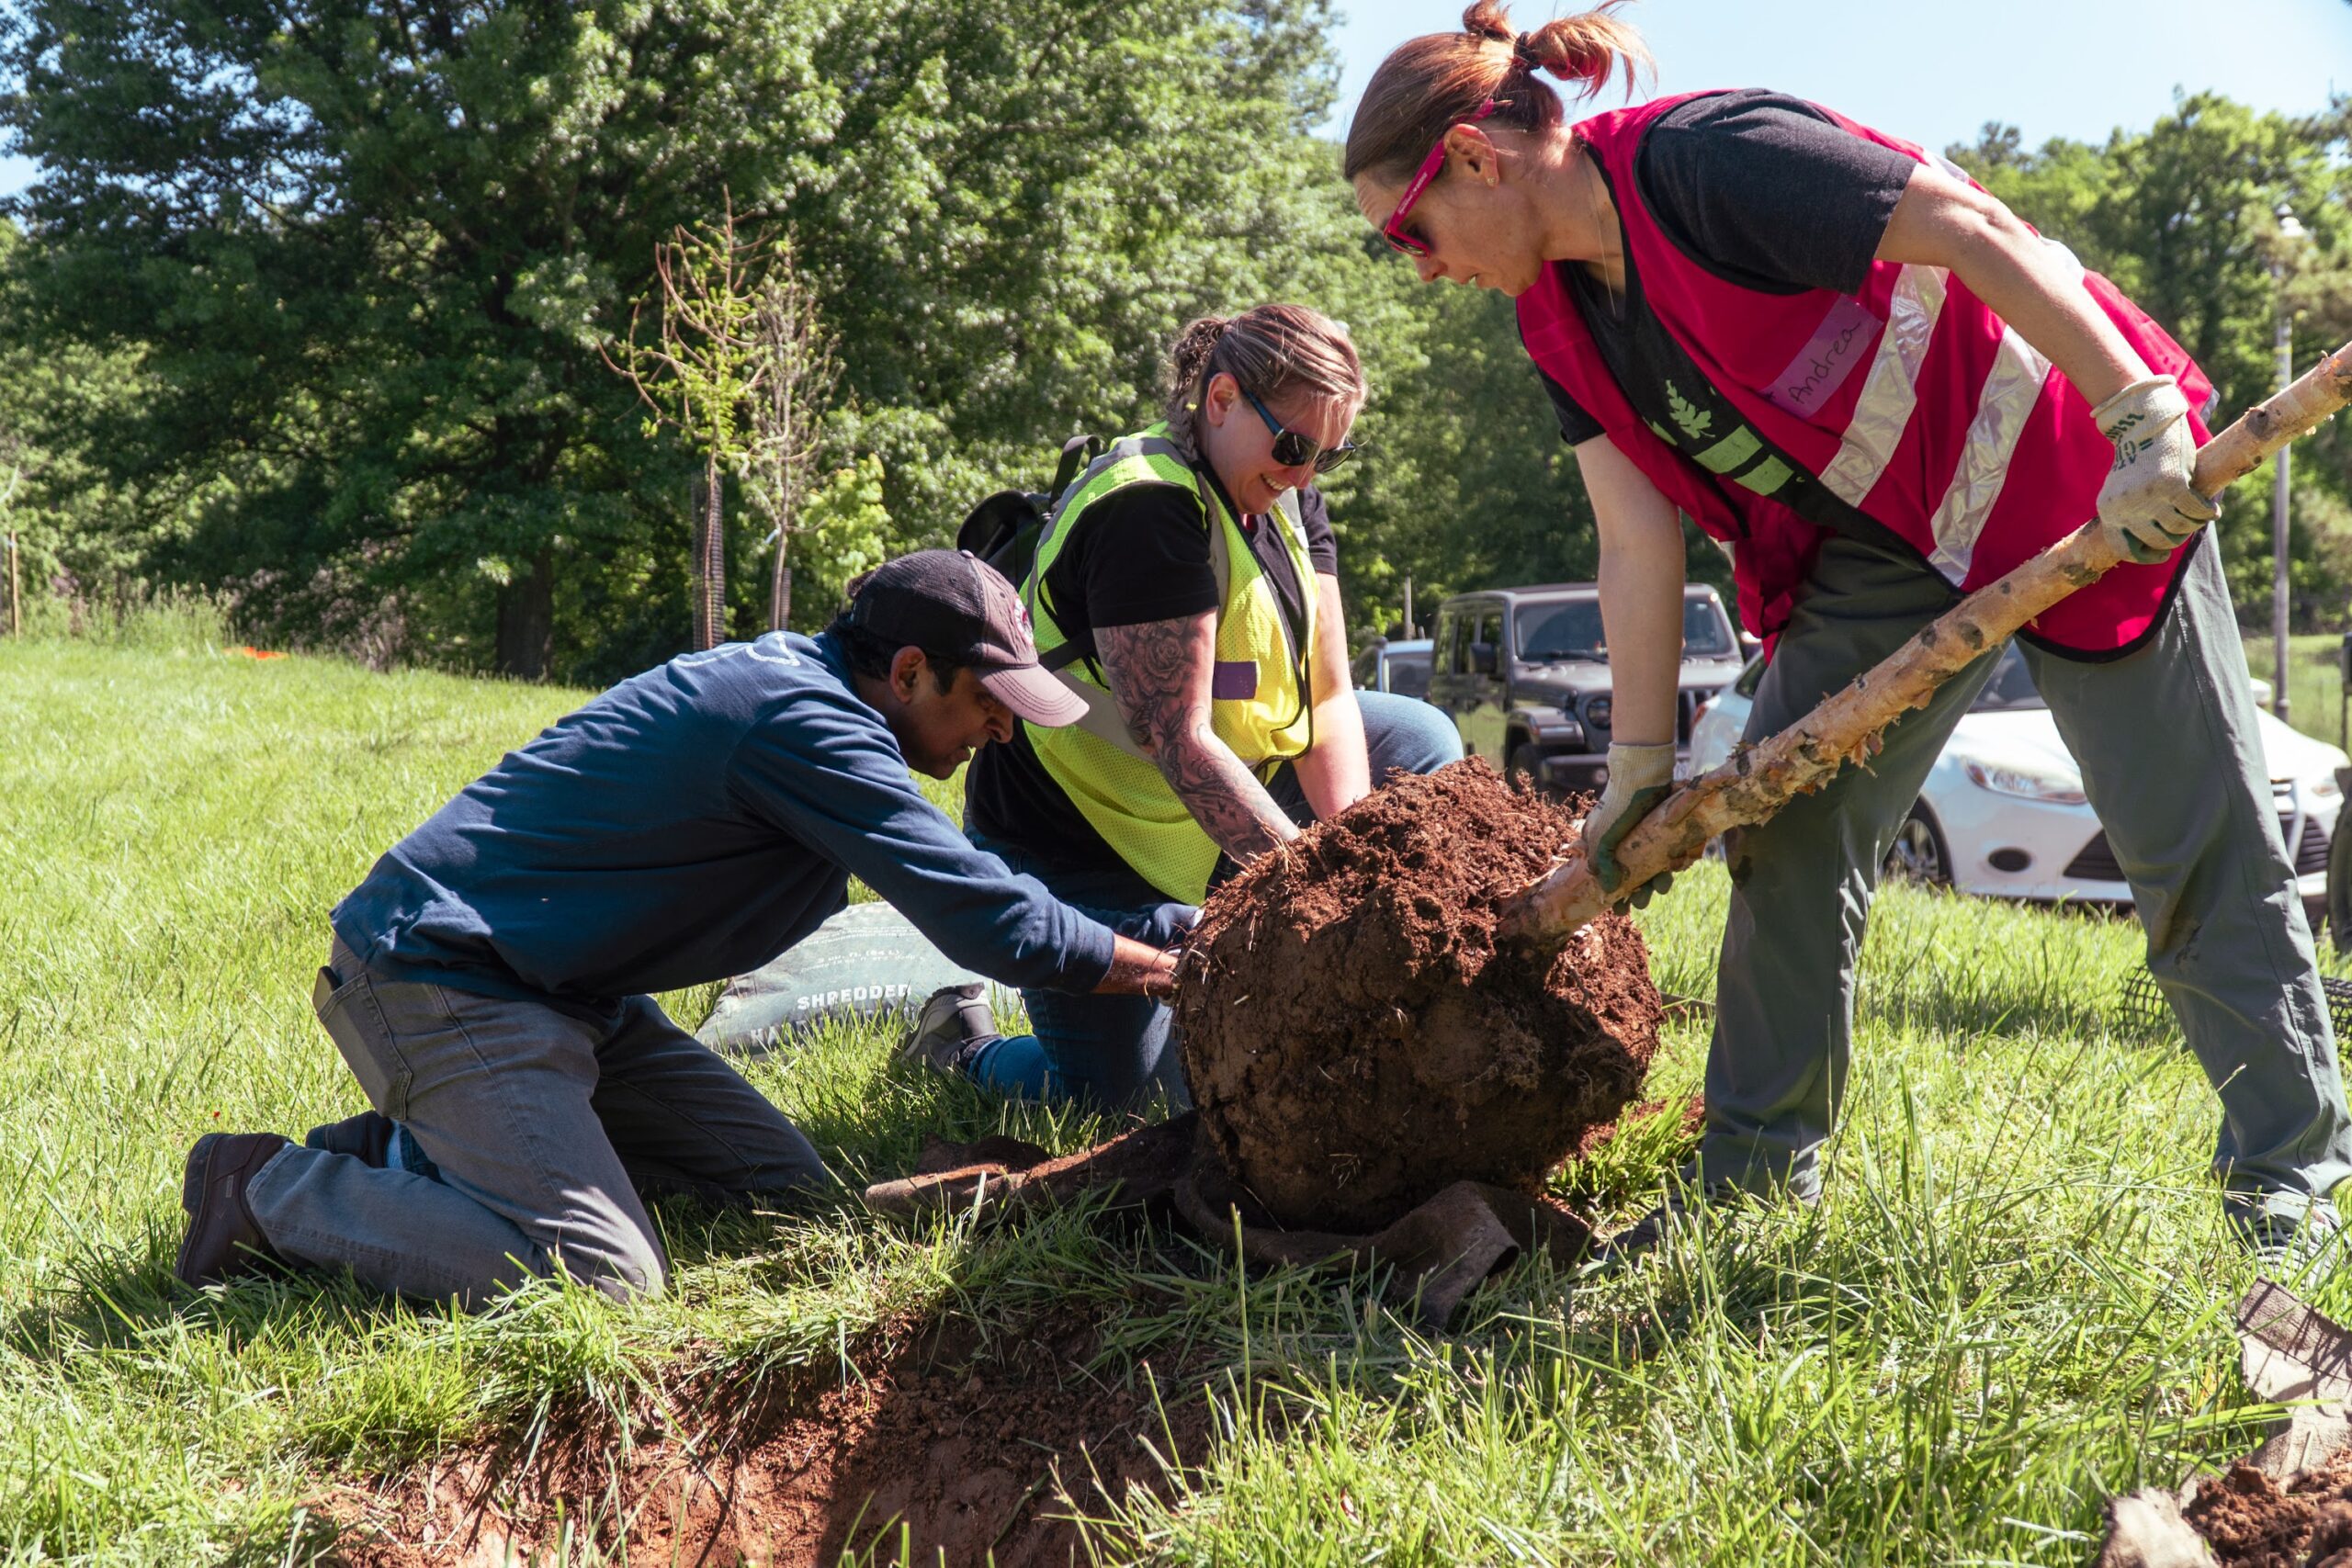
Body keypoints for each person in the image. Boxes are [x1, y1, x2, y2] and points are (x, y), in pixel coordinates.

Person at [1341, 2, 2351, 1261]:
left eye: (1408, 233)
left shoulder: (1712, 162)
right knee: (1786, 827)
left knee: (2186, 838)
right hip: (1886, 545)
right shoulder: (1559, 319)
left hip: (2069, 468)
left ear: (1477, 160)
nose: (1422, 266)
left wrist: (2139, 418)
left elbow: (1976, 229)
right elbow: (1636, 541)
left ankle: (2291, 1177)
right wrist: (1639, 774)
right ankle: (1755, 1186)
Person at [175, 551, 1182, 1307]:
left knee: (789, 1194)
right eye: (989, 701)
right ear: (910, 671)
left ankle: (415, 1155)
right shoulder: (807, 722)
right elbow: (987, 917)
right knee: (604, 1282)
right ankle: (268, 1189)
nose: (1002, 729)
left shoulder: (820, 704)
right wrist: (1175, 973)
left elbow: (984, 891)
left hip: (567, 999)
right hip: (440, 980)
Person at [911, 304, 1464, 1108]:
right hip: (1083, 839)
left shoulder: (1289, 500)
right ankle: (964, 1047)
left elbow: (1332, 694)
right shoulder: (1149, 514)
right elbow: (1180, 739)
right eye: (1294, 446)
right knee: (1136, 1100)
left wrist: (1361, 857)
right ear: (1221, 399)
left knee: (1418, 737)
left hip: (1208, 806)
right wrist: (1319, 889)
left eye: (1328, 456)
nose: (1306, 474)